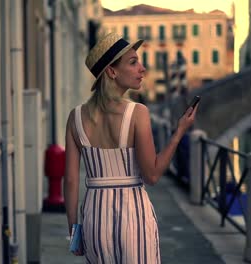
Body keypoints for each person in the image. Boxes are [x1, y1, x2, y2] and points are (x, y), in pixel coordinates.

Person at [64, 32, 198, 263]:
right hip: (132, 215)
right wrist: (179, 132)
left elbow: (71, 181)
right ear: (112, 72)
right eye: (133, 62)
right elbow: (153, 175)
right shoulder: (138, 113)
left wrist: (75, 232)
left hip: (95, 218)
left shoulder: (75, 117)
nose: (143, 69)